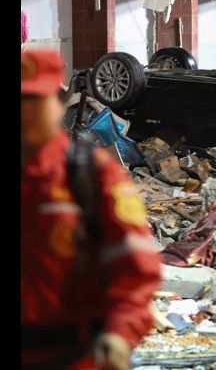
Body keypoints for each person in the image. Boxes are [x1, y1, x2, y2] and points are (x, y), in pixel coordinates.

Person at [21, 50, 162, 369]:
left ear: (58, 104)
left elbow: (135, 269)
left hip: (76, 357)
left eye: (34, 101)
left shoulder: (92, 174)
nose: (25, 112)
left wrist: (121, 333)